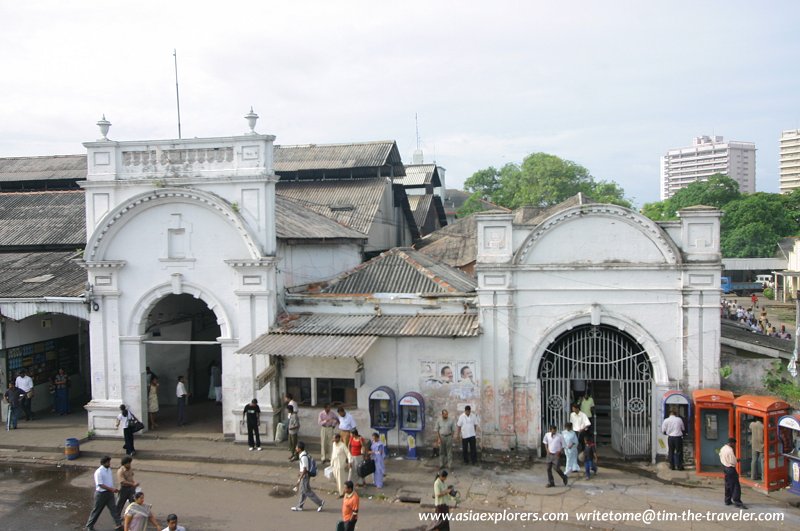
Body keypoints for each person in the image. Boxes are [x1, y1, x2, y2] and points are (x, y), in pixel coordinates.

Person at [84, 456, 122, 531]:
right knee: (97, 510)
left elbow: (109, 481)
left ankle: (119, 524)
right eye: (108, 462)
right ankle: (89, 525)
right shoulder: (99, 472)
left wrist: (113, 488)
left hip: (110, 493)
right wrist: (111, 489)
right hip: (101, 494)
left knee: (113, 509)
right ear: (104, 463)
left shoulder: (109, 470)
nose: (109, 463)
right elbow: (100, 484)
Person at [291, 441, 325, 512]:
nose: (296, 448)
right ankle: (300, 506)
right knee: (303, 491)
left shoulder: (303, 457)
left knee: (307, 491)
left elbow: (305, 469)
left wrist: (300, 477)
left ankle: (320, 502)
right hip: (304, 475)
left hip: (305, 476)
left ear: (300, 449)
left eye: (297, 447)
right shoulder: (303, 454)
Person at [720, 437, 748, 509]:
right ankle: (737, 502)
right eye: (734, 444)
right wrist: (737, 460)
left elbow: (721, 456)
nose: (734, 445)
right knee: (735, 486)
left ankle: (727, 500)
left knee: (728, 485)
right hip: (730, 468)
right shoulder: (730, 450)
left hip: (725, 467)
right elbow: (733, 461)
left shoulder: (723, 448)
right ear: (732, 443)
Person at [331, 432, 351, 497]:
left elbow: (348, 453)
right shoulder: (334, 444)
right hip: (334, 465)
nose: (333, 439)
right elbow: (333, 453)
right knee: (337, 479)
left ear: (338, 438)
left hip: (340, 465)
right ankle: (341, 490)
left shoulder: (342, 445)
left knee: (340, 480)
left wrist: (350, 462)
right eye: (333, 438)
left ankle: (341, 493)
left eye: (335, 438)